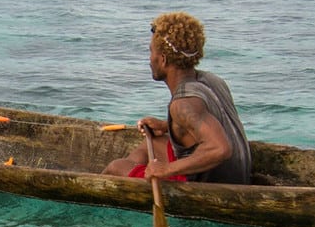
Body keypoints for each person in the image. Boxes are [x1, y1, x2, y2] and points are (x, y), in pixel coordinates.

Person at [104, 12, 251, 184]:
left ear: (164, 60)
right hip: (238, 175)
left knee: (116, 167)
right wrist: (168, 126)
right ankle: (137, 178)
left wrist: (165, 170)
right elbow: (208, 120)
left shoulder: (182, 104)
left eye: (151, 52)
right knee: (150, 144)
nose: (150, 59)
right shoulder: (213, 80)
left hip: (211, 186)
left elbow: (220, 149)